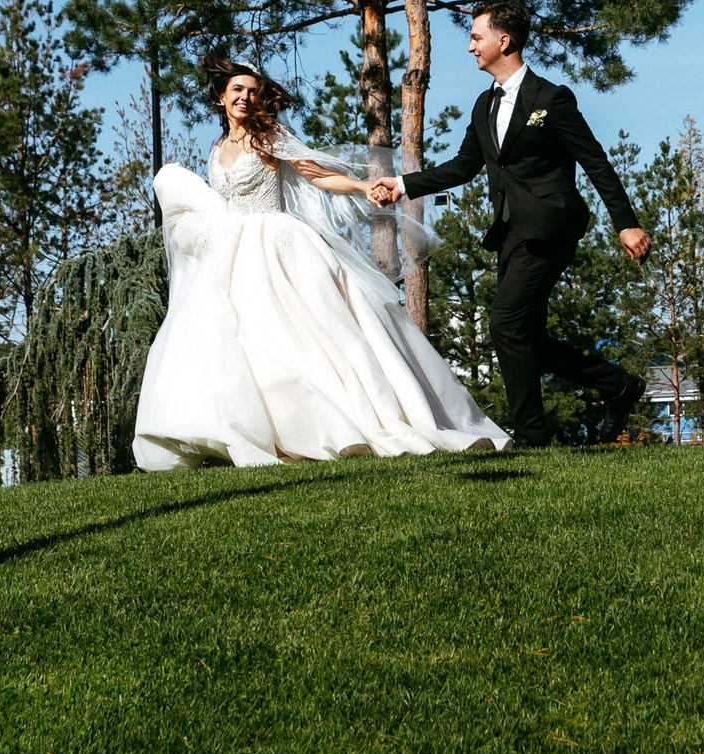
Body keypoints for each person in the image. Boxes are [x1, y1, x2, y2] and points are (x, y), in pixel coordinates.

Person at [130, 55, 510, 470]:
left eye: (252, 91)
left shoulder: (268, 136)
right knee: (242, 342)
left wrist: (361, 187)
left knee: (307, 336)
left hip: (276, 245)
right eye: (236, 90)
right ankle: (263, 433)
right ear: (220, 98)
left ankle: (343, 424)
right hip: (230, 254)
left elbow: (315, 173)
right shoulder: (217, 148)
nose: (245, 96)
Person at [369, 0, 650, 448]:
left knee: (504, 324)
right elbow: (463, 167)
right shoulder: (484, 105)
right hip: (511, 232)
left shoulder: (551, 98)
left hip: (551, 226)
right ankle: (616, 385)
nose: (469, 47)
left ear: (505, 41)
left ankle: (532, 434)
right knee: (525, 333)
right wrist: (402, 184)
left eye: (476, 37)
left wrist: (626, 224)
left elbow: (596, 162)